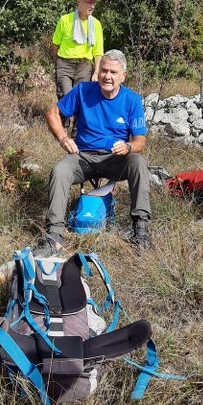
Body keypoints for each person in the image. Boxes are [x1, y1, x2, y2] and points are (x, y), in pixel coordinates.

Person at [38, 49, 152, 255]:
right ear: (98, 72)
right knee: (60, 170)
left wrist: (127, 147)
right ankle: (54, 236)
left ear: (123, 76)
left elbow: (140, 141)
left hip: (115, 158)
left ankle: (140, 230)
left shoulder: (132, 100)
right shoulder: (82, 90)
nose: (107, 76)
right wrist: (64, 138)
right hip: (83, 157)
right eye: (104, 70)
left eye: (113, 72)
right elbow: (52, 112)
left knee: (138, 162)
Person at [51, 0, 104, 102]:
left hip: (84, 66)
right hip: (65, 64)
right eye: (89, 2)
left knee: (80, 98)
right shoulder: (65, 20)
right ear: (79, 1)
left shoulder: (96, 24)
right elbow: (55, 44)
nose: (92, 6)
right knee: (66, 97)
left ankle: (76, 121)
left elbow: (98, 51)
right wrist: (57, 63)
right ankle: (64, 120)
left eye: (93, 2)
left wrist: (96, 72)